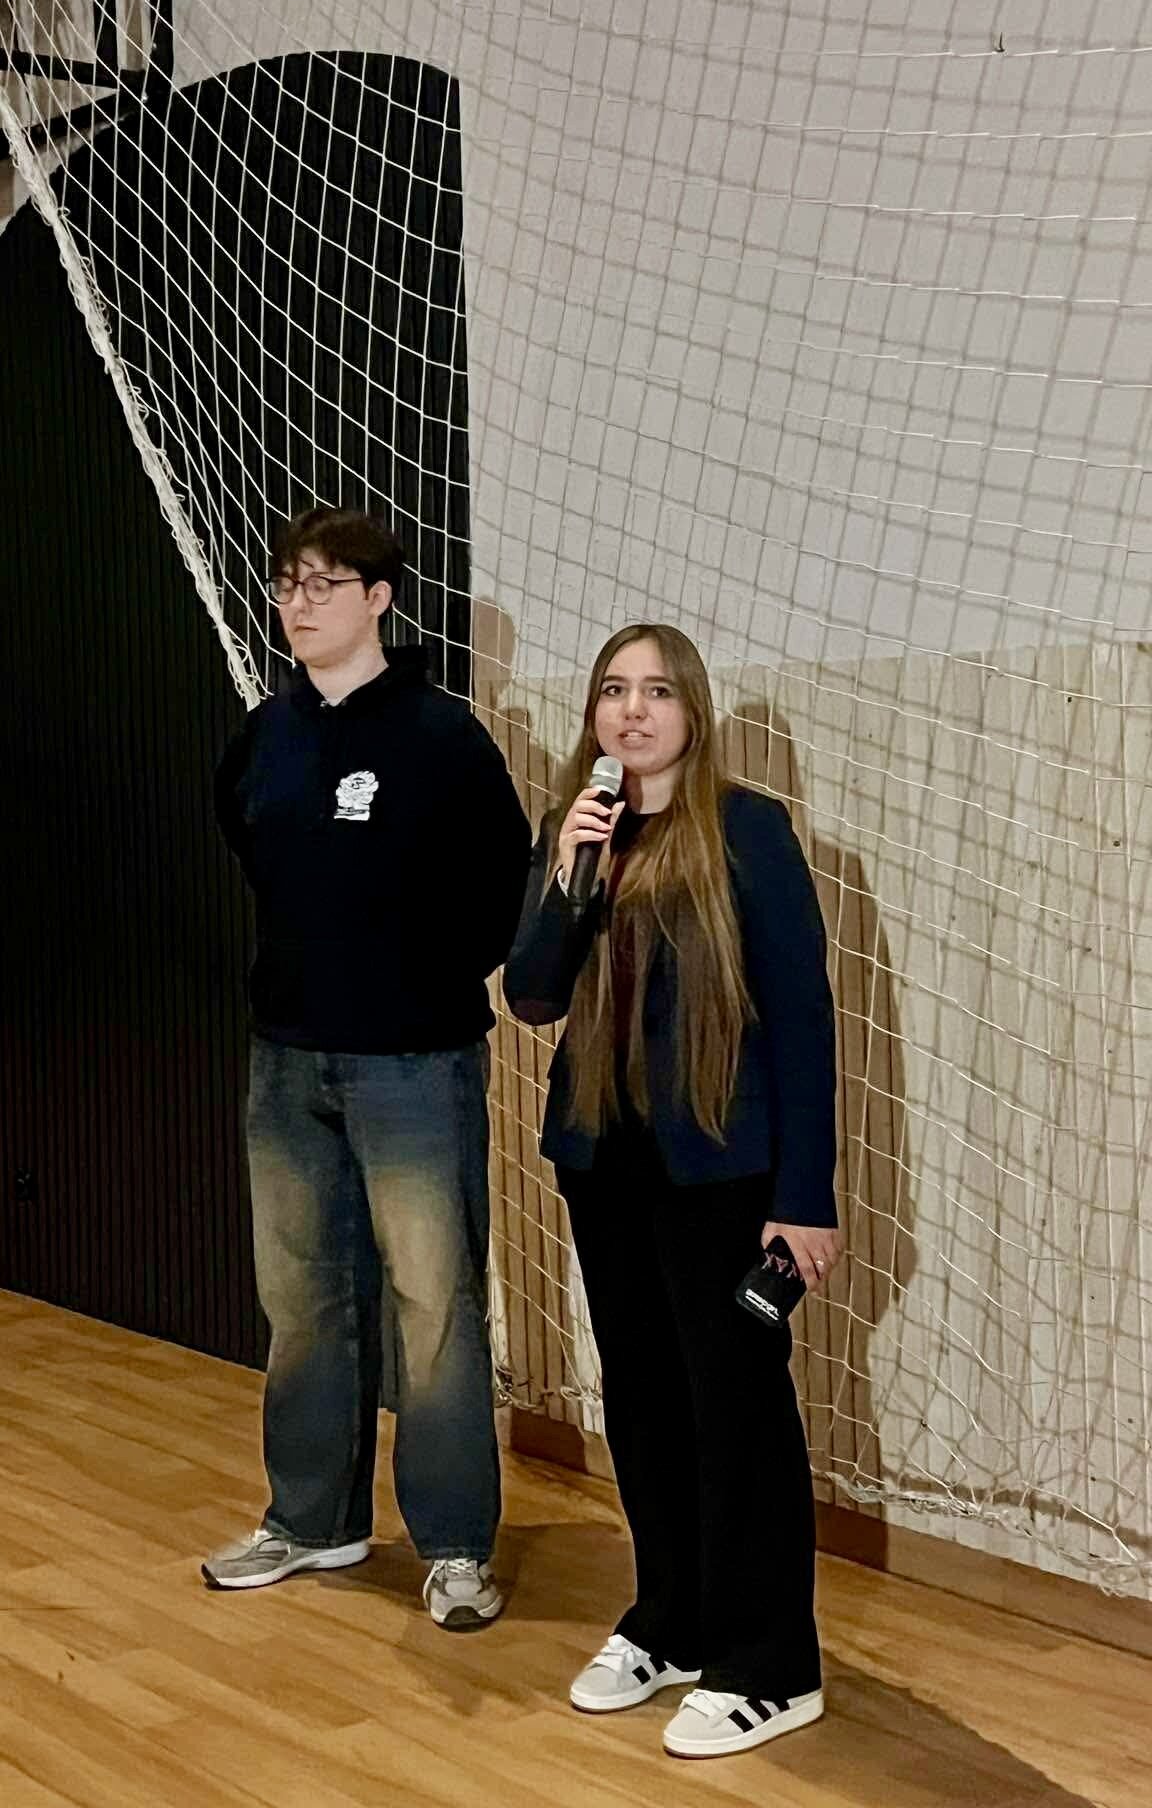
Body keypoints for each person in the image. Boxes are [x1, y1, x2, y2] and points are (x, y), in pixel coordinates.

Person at [503, 623, 841, 1758]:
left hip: (724, 1170)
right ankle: (673, 1620)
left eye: (657, 690)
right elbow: (533, 997)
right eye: (614, 689)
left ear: (692, 710)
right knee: (643, 1399)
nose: (633, 710)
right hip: (605, 1162)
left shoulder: (747, 830)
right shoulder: (575, 826)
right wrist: (566, 878)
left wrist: (806, 1196)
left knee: (735, 1407)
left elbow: (802, 1019)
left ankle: (771, 1663)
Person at [206, 506, 531, 1629]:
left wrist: (418, 980)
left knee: (434, 1304)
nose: (299, 604)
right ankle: (313, 1518)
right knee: (301, 1300)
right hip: (288, 1064)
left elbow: (504, 880)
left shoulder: (445, 737)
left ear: (379, 598)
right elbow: (254, 851)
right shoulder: (264, 736)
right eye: (287, 584)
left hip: (415, 1065)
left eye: (324, 584)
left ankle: (454, 1544)